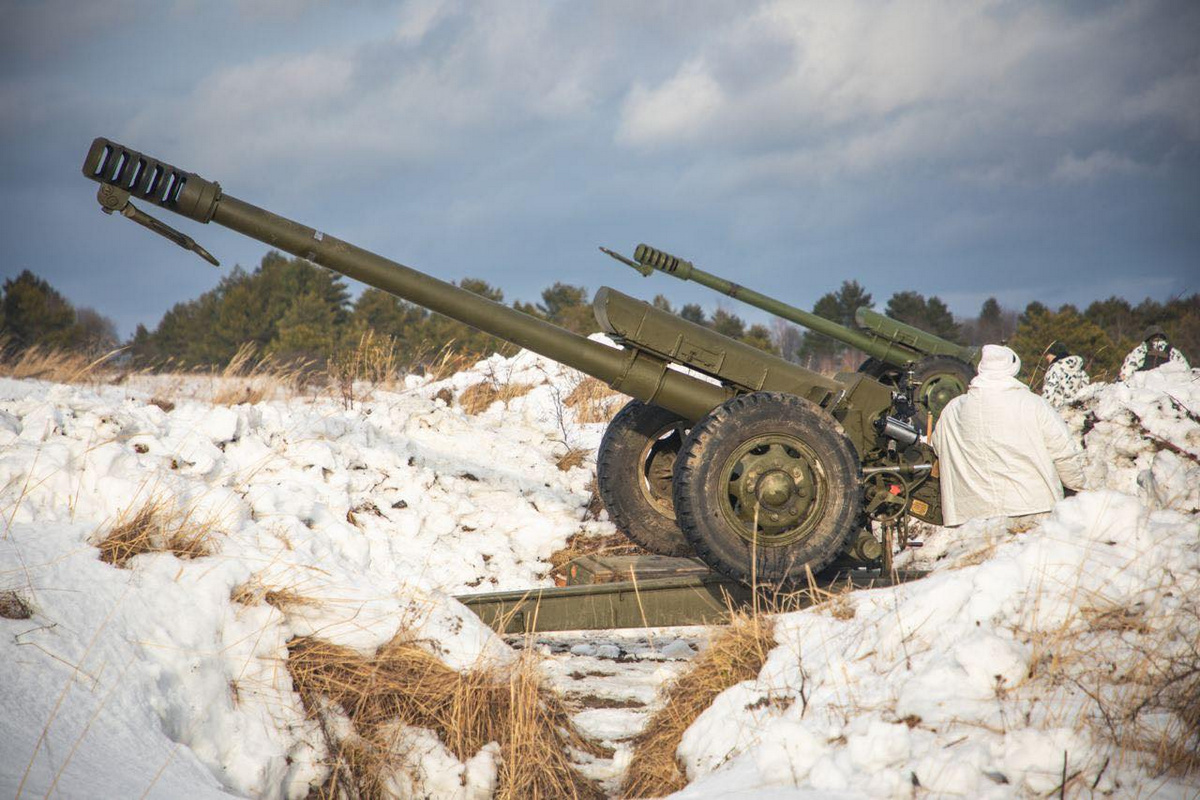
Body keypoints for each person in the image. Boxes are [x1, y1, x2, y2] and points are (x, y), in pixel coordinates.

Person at [931, 344, 1085, 527]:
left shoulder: (953, 410)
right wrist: (1080, 488)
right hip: (1032, 507)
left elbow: (937, 447)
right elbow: (1063, 453)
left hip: (971, 517)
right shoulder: (1034, 404)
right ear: (1013, 369)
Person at [1119, 327, 1189, 381]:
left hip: (1144, 389)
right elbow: (1186, 370)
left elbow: (1128, 368)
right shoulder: (1173, 352)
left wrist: (1122, 377)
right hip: (1167, 389)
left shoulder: (1142, 349)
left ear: (1147, 338)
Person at [1040, 341, 1090, 409]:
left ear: (1055, 354)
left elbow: (1049, 391)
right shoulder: (1079, 369)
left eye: (1048, 354)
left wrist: (1042, 408)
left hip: (1059, 410)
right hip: (1077, 410)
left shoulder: (1055, 368)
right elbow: (1085, 389)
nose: (1047, 357)